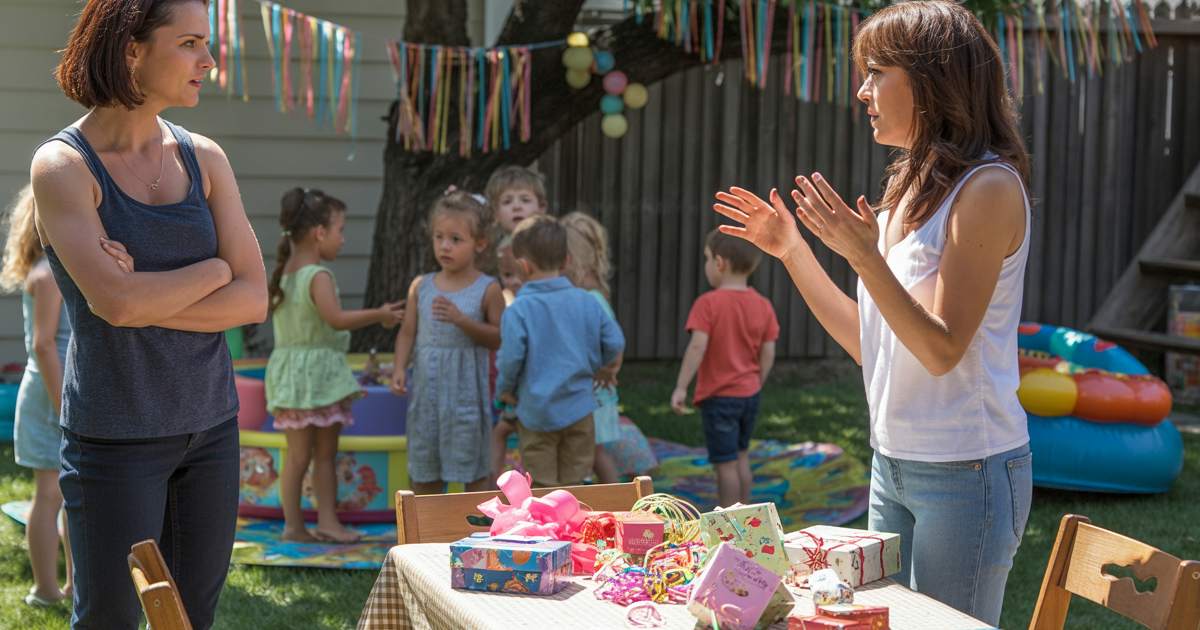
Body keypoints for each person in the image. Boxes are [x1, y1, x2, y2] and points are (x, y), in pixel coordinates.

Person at [712, 1, 1032, 623]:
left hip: (968, 470)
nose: (862, 91)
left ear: (933, 80)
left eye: (877, 72)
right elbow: (875, 344)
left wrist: (865, 259)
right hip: (893, 463)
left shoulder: (987, 189)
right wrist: (793, 253)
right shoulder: (905, 188)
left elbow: (941, 351)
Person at [30, 0, 269, 627]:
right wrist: (215, 270)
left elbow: (252, 298)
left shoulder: (204, 158)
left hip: (211, 429)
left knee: (189, 618)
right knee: (111, 617)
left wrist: (148, 297)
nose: (209, 61)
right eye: (190, 42)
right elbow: (115, 302)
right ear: (130, 49)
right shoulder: (62, 166)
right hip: (116, 438)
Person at [265, 188, 404, 543]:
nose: (343, 240)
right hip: (318, 375)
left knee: (296, 457)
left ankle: (295, 527)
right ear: (319, 233)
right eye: (340, 231)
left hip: (290, 374)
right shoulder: (317, 276)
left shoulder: (284, 273)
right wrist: (381, 314)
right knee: (323, 455)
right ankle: (324, 522)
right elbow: (337, 319)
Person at [495, 216, 625, 488]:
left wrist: (504, 389)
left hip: (536, 414)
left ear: (522, 266)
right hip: (580, 410)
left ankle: (549, 532)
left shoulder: (518, 310)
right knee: (575, 484)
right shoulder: (586, 300)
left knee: (542, 487)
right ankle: (574, 530)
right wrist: (603, 367)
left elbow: (510, 359)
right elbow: (615, 340)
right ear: (566, 262)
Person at [391, 191, 505, 494]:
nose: (445, 245)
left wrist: (462, 321)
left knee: (474, 472)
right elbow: (407, 333)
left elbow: (499, 337)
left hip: (466, 397)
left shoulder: (488, 288)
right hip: (427, 398)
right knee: (424, 469)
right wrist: (399, 368)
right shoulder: (422, 285)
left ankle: (476, 535)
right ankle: (426, 535)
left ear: (480, 243)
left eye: (456, 239)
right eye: (439, 236)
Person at [1, 185, 73, 607]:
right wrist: (64, 406)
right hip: (52, 392)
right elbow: (45, 346)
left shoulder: (61, 268)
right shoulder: (48, 273)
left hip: (61, 387)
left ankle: (75, 586)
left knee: (71, 494)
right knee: (49, 495)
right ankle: (46, 589)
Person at [670, 229, 778, 508]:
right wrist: (757, 382)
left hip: (719, 399)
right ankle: (747, 519)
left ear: (719, 263)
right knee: (741, 457)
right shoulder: (763, 305)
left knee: (725, 465)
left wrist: (682, 386)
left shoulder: (708, 304)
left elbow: (697, 347)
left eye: (706, 258)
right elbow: (768, 352)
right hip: (749, 396)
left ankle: (729, 525)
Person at [483, 166, 548, 487]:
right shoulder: (492, 251)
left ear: (542, 207)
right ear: (496, 214)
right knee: (507, 429)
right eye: (508, 201)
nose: (518, 207)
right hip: (511, 354)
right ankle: (500, 489)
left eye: (525, 199)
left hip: (540, 358)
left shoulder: (547, 247)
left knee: (529, 435)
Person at [562, 212, 623, 484]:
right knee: (589, 454)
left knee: (594, 454)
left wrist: (610, 368)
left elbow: (616, 341)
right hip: (588, 394)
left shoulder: (591, 297)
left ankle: (620, 503)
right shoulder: (586, 294)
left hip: (594, 397)